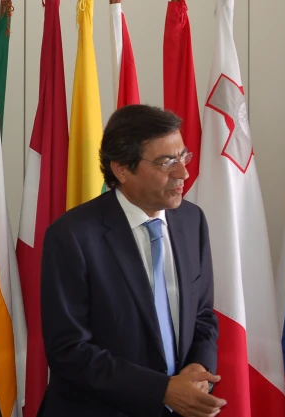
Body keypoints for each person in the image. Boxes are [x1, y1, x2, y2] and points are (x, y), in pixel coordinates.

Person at [39, 105, 226, 417]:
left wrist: (197, 370)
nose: (183, 172)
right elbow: (69, 351)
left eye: (183, 157)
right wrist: (164, 390)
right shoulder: (72, 236)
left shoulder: (192, 221)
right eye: (167, 162)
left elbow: (203, 315)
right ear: (122, 169)